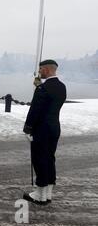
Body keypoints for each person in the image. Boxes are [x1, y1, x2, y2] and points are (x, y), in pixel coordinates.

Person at [23, 60, 66, 205]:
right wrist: (39, 86)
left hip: (41, 129)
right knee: (49, 158)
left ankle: (39, 196)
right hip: (54, 127)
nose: (39, 72)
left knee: (39, 159)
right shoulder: (62, 87)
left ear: (47, 70)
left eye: (41, 69)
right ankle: (48, 193)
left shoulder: (43, 88)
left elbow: (35, 110)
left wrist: (28, 128)